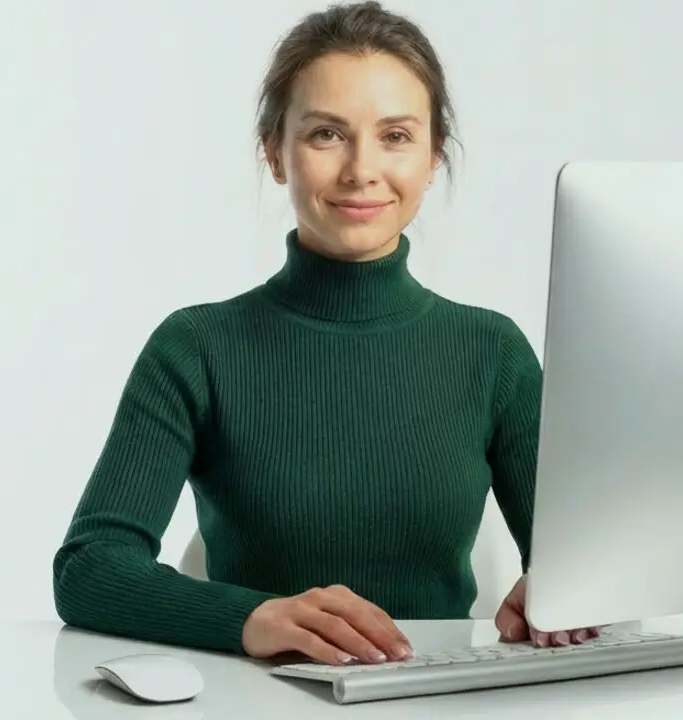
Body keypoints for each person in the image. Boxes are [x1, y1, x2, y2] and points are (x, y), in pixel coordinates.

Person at [52, 1, 595, 667]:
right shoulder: (196, 348)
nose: (361, 170)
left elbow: (586, 569)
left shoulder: (492, 352)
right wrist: (249, 617)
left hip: (434, 702)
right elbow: (90, 569)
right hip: (251, 702)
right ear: (274, 154)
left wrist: (565, 596)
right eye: (325, 135)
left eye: (395, 136)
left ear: (432, 159)